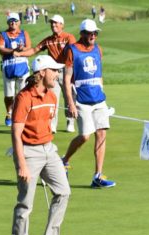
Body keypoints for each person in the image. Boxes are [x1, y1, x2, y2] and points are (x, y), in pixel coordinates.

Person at [11, 54, 73, 235]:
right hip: (29, 152)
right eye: (54, 70)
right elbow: (16, 133)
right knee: (25, 203)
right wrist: (21, 164)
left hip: (49, 150)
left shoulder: (52, 96)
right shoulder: (24, 98)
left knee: (64, 191)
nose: (57, 74)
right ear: (42, 73)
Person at [62, 19, 116, 188]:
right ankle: (64, 160)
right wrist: (70, 102)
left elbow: (99, 74)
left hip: (99, 99)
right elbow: (66, 79)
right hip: (82, 100)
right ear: (82, 34)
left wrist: (103, 93)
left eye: (95, 33)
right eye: (90, 33)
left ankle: (97, 176)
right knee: (85, 135)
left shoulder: (97, 49)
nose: (93, 36)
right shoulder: (72, 50)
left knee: (101, 134)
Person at [14, 14, 76, 133]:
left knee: (69, 97)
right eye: (52, 23)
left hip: (67, 70)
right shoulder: (48, 40)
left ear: (62, 25)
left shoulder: (68, 37)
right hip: (52, 72)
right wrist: (19, 54)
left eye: (56, 23)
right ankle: (52, 125)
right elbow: (34, 50)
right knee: (53, 98)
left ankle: (70, 122)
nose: (53, 25)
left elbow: (74, 51)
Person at [0, 12, 31, 127]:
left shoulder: (24, 33)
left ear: (19, 22)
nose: (13, 23)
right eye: (11, 21)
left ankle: (21, 115)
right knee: (9, 95)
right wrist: (13, 51)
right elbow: (1, 49)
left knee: (23, 93)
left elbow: (29, 47)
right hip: (8, 66)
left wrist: (21, 49)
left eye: (15, 21)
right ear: (8, 22)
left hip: (22, 66)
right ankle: (9, 113)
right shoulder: (3, 34)